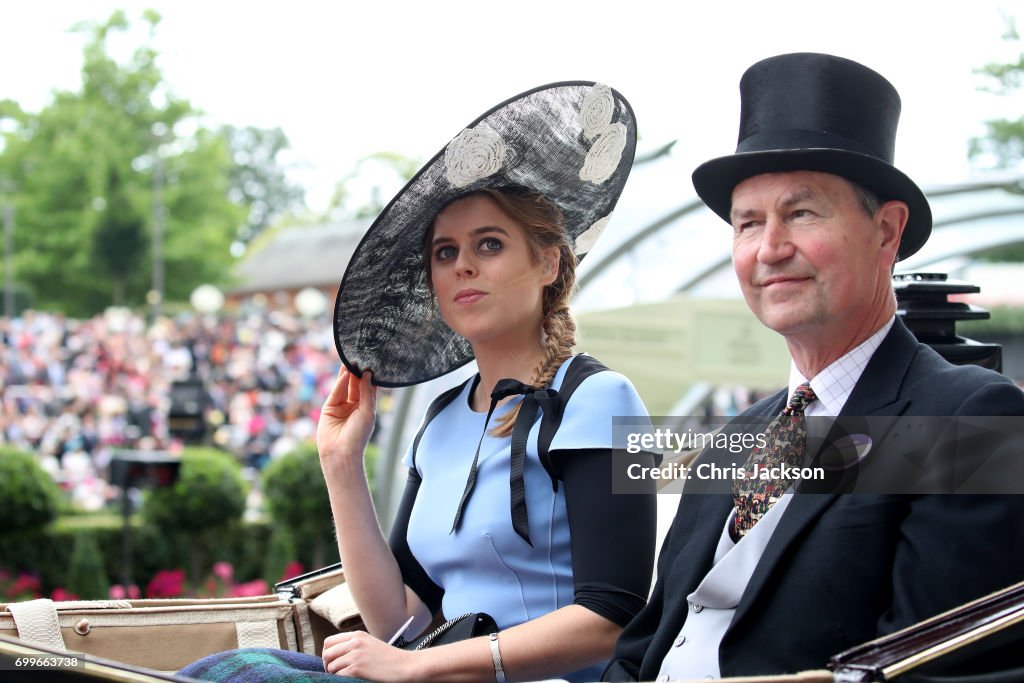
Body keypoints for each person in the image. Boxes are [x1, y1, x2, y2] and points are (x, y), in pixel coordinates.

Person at [181, 82, 657, 683]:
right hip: (436, 677)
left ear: (548, 262)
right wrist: (340, 463)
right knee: (226, 670)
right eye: (444, 252)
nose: (462, 265)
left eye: (489, 244)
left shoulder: (603, 400)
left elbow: (612, 616)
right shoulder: (441, 420)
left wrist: (420, 666)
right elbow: (400, 623)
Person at [603, 52, 1024, 681]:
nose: (770, 248)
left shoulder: (966, 417)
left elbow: (931, 671)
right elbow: (643, 649)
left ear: (886, 232)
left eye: (801, 213)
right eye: (748, 223)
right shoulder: (736, 438)